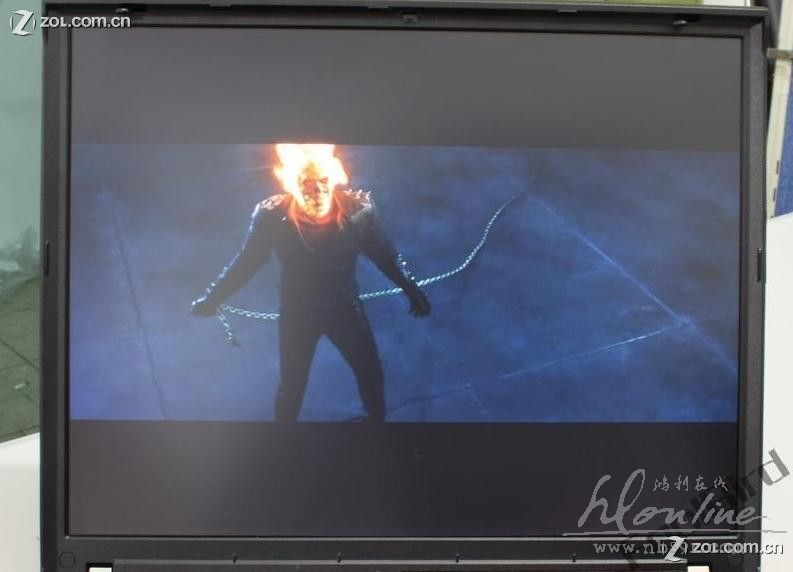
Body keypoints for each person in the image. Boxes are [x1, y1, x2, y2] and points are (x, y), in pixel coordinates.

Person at [191, 148, 430, 422]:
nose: (316, 191)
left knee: (371, 374)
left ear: (334, 179)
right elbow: (247, 262)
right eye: (306, 183)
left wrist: (411, 289)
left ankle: (377, 427)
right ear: (291, 184)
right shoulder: (272, 216)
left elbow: (385, 255)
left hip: (345, 311)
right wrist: (213, 298)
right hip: (298, 315)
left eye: (323, 182)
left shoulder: (358, 212)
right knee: (292, 384)